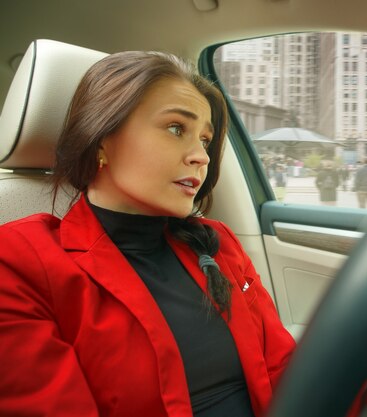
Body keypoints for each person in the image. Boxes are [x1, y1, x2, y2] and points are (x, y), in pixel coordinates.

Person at [0, 51, 295, 417]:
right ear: (102, 138)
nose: (202, 156)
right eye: (176, 128)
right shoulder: (18, 262)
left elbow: (285, 369)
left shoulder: (218, 244)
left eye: (205, 140)